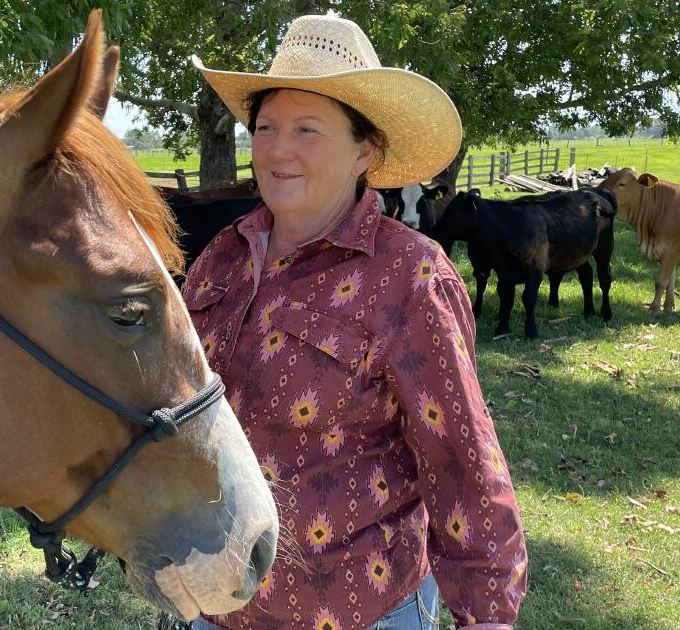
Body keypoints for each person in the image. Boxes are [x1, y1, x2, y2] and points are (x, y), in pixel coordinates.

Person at [176, 15, 527, 630]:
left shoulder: (409, 278)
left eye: (307, 130)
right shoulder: (219, 261)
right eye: (265, 127)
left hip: (356, 611)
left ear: (365, 150)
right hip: (218, 606)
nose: (278, 148)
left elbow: (462, 461)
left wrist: (487, 616)